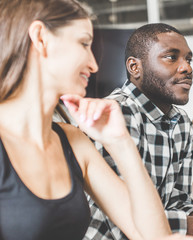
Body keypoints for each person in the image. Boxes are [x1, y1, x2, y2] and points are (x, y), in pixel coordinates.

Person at [0, 0, 180, 239]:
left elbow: (153, 236)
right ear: (40, 38)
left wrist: (120, 142)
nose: (93, 65)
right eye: (84, 43)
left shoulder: (72, 142)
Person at [87, 23, 193, 240]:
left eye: (188, 59)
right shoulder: (116, 113)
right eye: (172, 57)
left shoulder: (181, 123)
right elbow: (125, 221)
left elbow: (178, 205)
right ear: (135, 67)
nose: (187, 68)